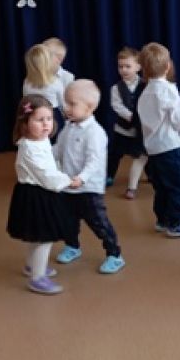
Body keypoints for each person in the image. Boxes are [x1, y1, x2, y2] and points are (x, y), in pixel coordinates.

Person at [6, 95, 80, 295]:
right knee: (44, 237)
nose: (46, 124)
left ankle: (32, 265)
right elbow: (46, 175)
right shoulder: (29, 148)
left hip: (40, 192)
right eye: (40, 120)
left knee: (36, 235)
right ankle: (37, 278)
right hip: (36, 195)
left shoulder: (41, 140)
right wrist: (69, 181)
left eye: (49, 118)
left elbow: (50, 164)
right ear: (25, 123)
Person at [54, 80, 125, 274]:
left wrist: (82, 178)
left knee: (98, 223)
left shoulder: (95, 133)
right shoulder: (68, 127)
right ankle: (72, 246)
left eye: (72, 104)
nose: (66, 108)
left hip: (88, 189)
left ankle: (114, 254)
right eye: (66, 102)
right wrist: (44, 158)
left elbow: (94, 161)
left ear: (90, 106)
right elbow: (58, 149)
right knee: (68, 221)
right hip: (67, 186)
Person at [137, 43, 180, 237]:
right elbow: (179, 118)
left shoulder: (145, 93)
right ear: (168, 66)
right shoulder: (168, 90)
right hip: (171, 147)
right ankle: (175, 223)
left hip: (154, 149)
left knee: (162, 186)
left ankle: (163, 220)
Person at [106, 47, 147, 199]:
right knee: (115, 155)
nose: (123, 70)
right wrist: (131, 116)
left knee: (143, 154)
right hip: (123, 130)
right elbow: (117, 106)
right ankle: (109, 175)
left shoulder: (145, 85)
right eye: (120, 66)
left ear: (138, 67)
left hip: (141, 130)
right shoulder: (116, 88)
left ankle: (150, 175)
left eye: (128, 66)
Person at [22, 44, 65, 128]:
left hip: (35, 116)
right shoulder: (56, 82)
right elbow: (62, 104)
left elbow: (26, 102)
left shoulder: (26, 82)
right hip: (53, 116)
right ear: (48, 62)